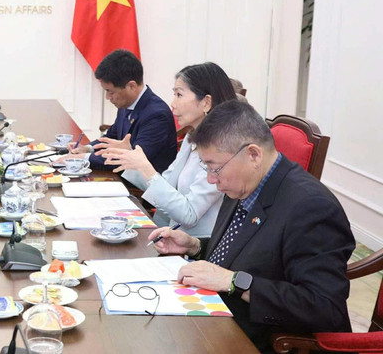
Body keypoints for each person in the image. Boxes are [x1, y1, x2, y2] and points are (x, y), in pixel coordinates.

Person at [148, 100, 354, 353]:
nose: (212, 180)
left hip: (262, 339)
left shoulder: (311, 208)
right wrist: (195, 246)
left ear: (254, 154)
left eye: (216, 168)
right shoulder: (244, 182)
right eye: (207, 168)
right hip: (217, 317)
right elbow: (248, 251)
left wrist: (235, 282)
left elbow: (324, 307)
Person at [100, 62, 236, 237]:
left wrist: (145, 167)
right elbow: (166, 183)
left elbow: (189, 215)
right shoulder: (192, 137)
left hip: (199, 247)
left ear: (206, 102)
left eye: (179, 95)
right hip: (171, 236)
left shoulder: (221, 150)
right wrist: (132, 161)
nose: (172, 104)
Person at [62, 49, 177, 172]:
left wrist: (83, 158)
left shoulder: (157, 115)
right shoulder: (126, 103)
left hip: (142, 187)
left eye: (111, 92)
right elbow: (112, 136)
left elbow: (130, 161)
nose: (107, 97)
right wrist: (87, 148)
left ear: (131, 86)